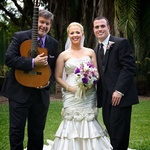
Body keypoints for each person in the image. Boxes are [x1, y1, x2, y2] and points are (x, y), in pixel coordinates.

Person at [44, 22, 113, 150]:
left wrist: (90, 82)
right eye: (72, 33)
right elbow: (58, 77)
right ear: (68, 35)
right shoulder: (63, 55)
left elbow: (97, 73)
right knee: (72, 120)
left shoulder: (90, 52)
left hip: (89, 93)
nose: (75, 35)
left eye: (78, 32)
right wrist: (70, 88)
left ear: (82, 34)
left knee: (88, 119)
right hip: (71, 93)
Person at [0, 9, 58, 150]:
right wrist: (32, 63)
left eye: (47, 23)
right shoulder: (20, 37)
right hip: (19, 92)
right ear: (35, 22)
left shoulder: (53, 43)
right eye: (41, 22)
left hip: (40, 95)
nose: (44, 26)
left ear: (50, 26)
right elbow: (9, 59)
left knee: (37, 132)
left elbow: (54, 67)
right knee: (16, 131)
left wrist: (48, 81)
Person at [93, 16, 139, 150]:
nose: (100, 29)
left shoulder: (120, 43)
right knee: (111, 127)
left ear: (108, 28)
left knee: (119, 131)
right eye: (97, 27)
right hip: (106, 96)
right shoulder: (96, 49)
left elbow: (129, 68)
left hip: (121, 96)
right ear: (94, 30)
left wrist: (119, 91)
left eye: (102, 26)